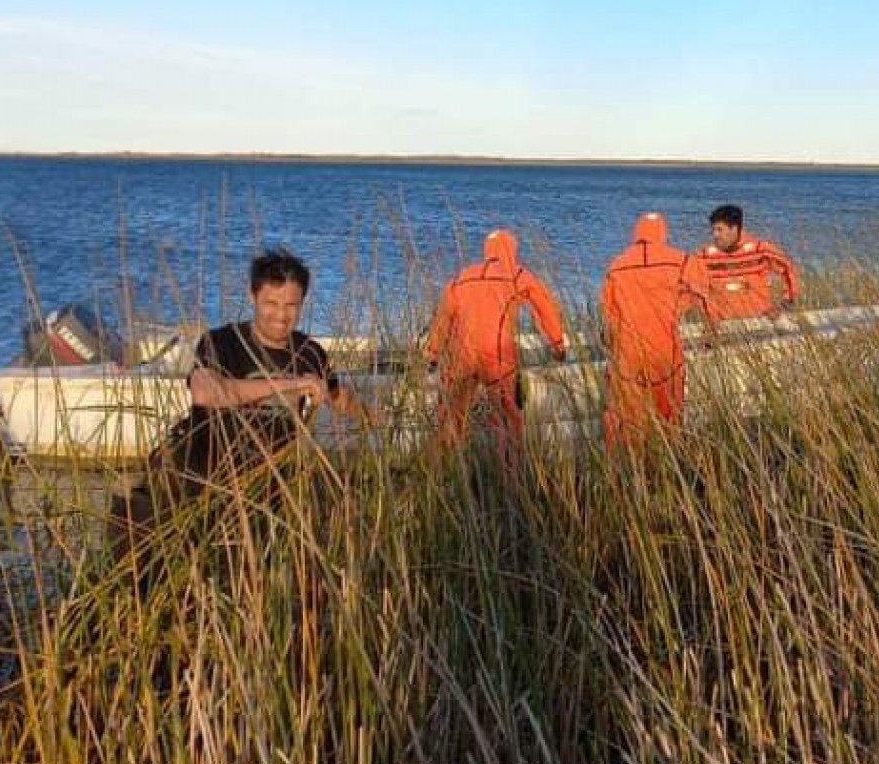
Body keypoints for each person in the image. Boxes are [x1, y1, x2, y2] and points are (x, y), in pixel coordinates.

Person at [114, 248, 364, 553]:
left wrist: (379, 418)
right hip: (205, 476)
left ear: (303, 303)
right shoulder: (220, 341)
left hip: (270, 482)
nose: (281, 315)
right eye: (270, 303)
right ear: (252, 296)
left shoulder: (311, 352)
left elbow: (338, 397)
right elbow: (207, 393)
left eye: (291, 305)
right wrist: (293, 383)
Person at [422, 228, 568, 461]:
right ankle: (509, 475)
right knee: (506, 418)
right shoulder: (518, 274)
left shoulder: (462, 277)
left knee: (451, 416)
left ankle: (446, 469)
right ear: (512, 249)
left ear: (486, 251)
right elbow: (545, 308)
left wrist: (432, 353)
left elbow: (443, 319)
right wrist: (558, 344)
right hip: (498, 356)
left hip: (462, 356)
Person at [601, 212, 712, 447]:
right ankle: (667, 468)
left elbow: (609, 315)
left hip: (627, 354)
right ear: (663, 232)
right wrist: (681, 310)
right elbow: (703, 295)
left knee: (625, 419)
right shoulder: (682, 261)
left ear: (636, 233)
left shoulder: (617, 265)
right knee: (669, 415)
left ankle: (626, 472)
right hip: (665, 351)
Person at [697, 204, 800, 321]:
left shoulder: (760, 250)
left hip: (758, 322)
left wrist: (784, 304)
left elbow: (789, 269)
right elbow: (686, 284)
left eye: (720, 230)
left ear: (734, 229)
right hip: (721, 325)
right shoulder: (705, 255)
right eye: (713, 230)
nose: (715, 235)